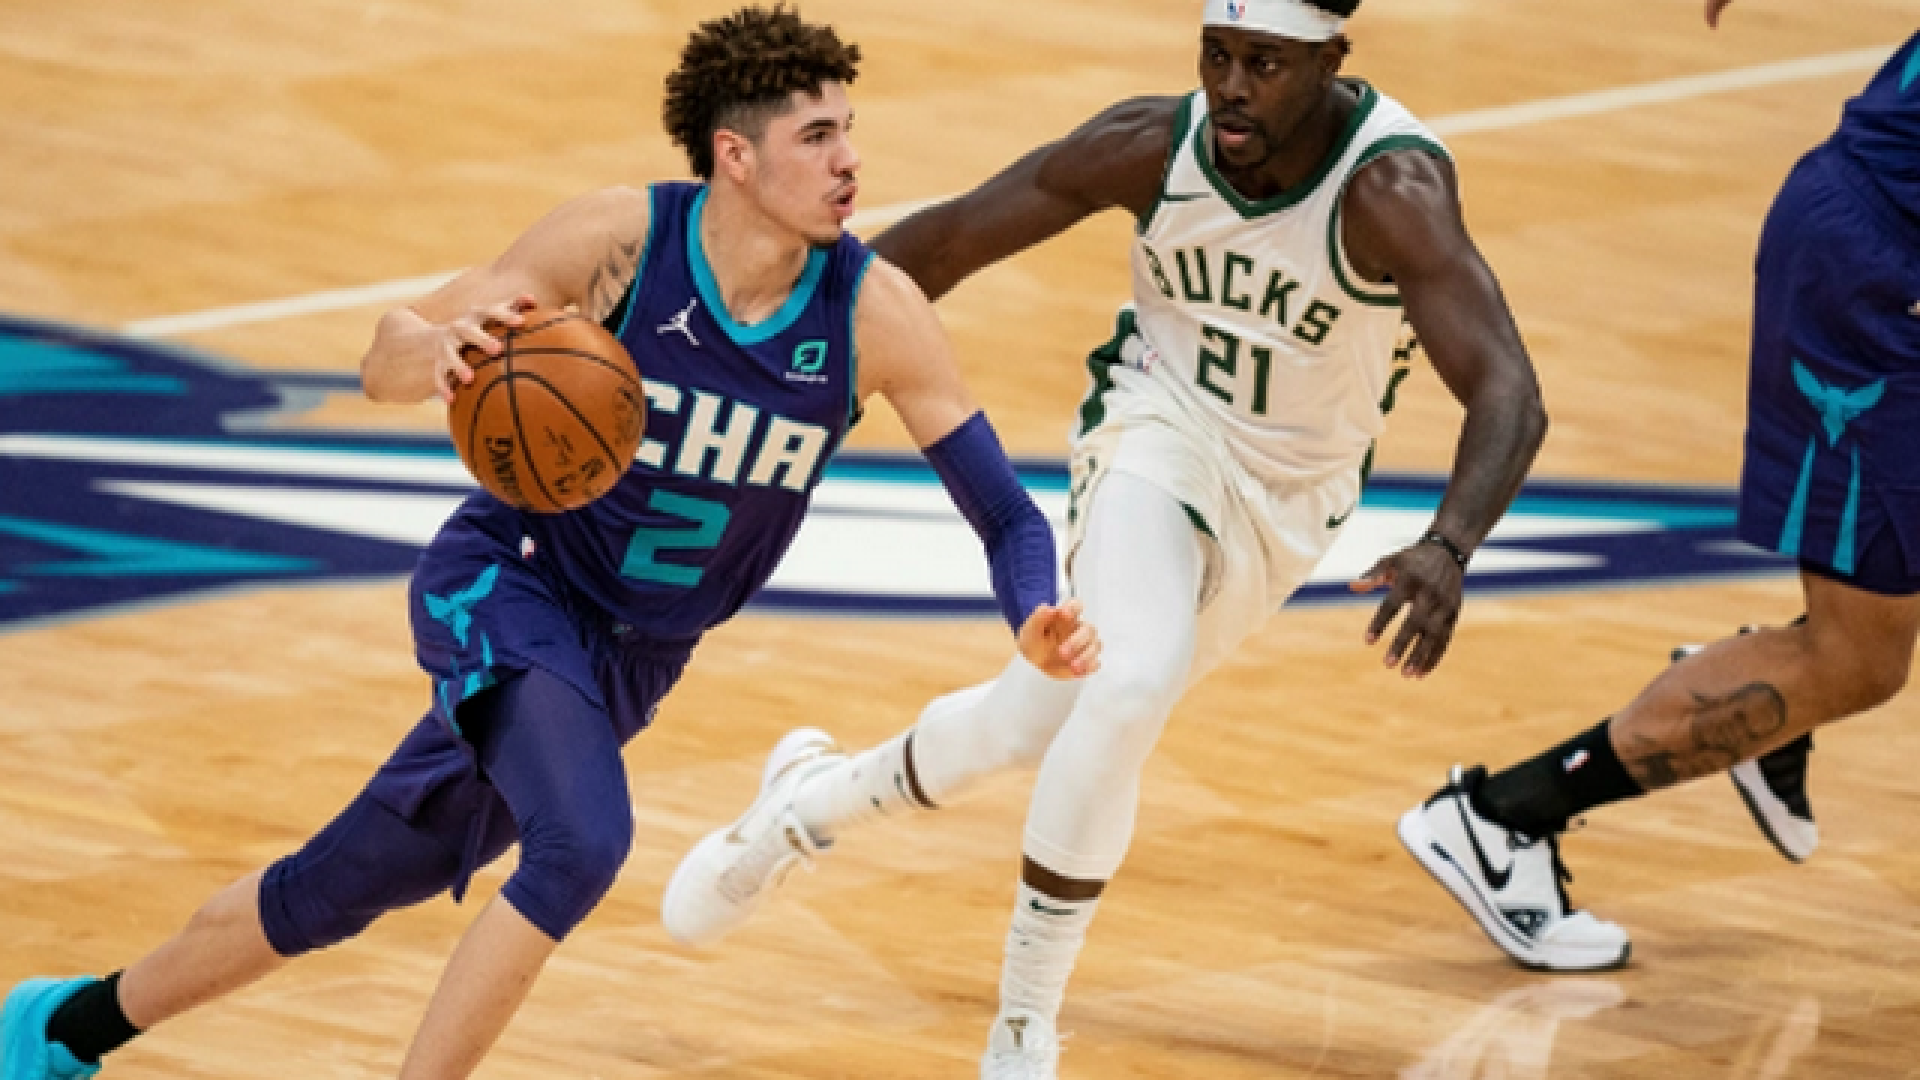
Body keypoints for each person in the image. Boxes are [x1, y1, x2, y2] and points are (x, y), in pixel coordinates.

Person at [0, 7, 1100, 1079]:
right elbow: (385, 355)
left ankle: (63, 1029)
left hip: (634, 660)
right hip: (509, 584)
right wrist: (436, 350)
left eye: (848, 129)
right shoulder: (621, 243)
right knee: (582, 843)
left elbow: (1006, 513)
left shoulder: (872, 313)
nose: (850, 159)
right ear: (737, 156)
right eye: (817, 136)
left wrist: (1032, 616)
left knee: (340, 884)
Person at [660, 0, 1554, 1075]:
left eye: (1264, 63)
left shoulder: (1390, 190)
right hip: (1154, 433)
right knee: (1130, 685)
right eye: (1217, 56)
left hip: (1289, 502)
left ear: (1330, 62)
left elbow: (1508, 388)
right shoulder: (1150, 146)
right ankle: (1023, 1029)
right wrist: (774, 360)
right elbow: (945, 242)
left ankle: (803, 807)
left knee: (1026, 723)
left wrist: (1450, 544)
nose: (1231, 86)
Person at [1399, 0, 1920, 972]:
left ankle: (1776, 685)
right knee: (1858, 660)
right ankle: (1501, 819)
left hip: (1874, 253)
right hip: (1873, 287)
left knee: (1853, 650)